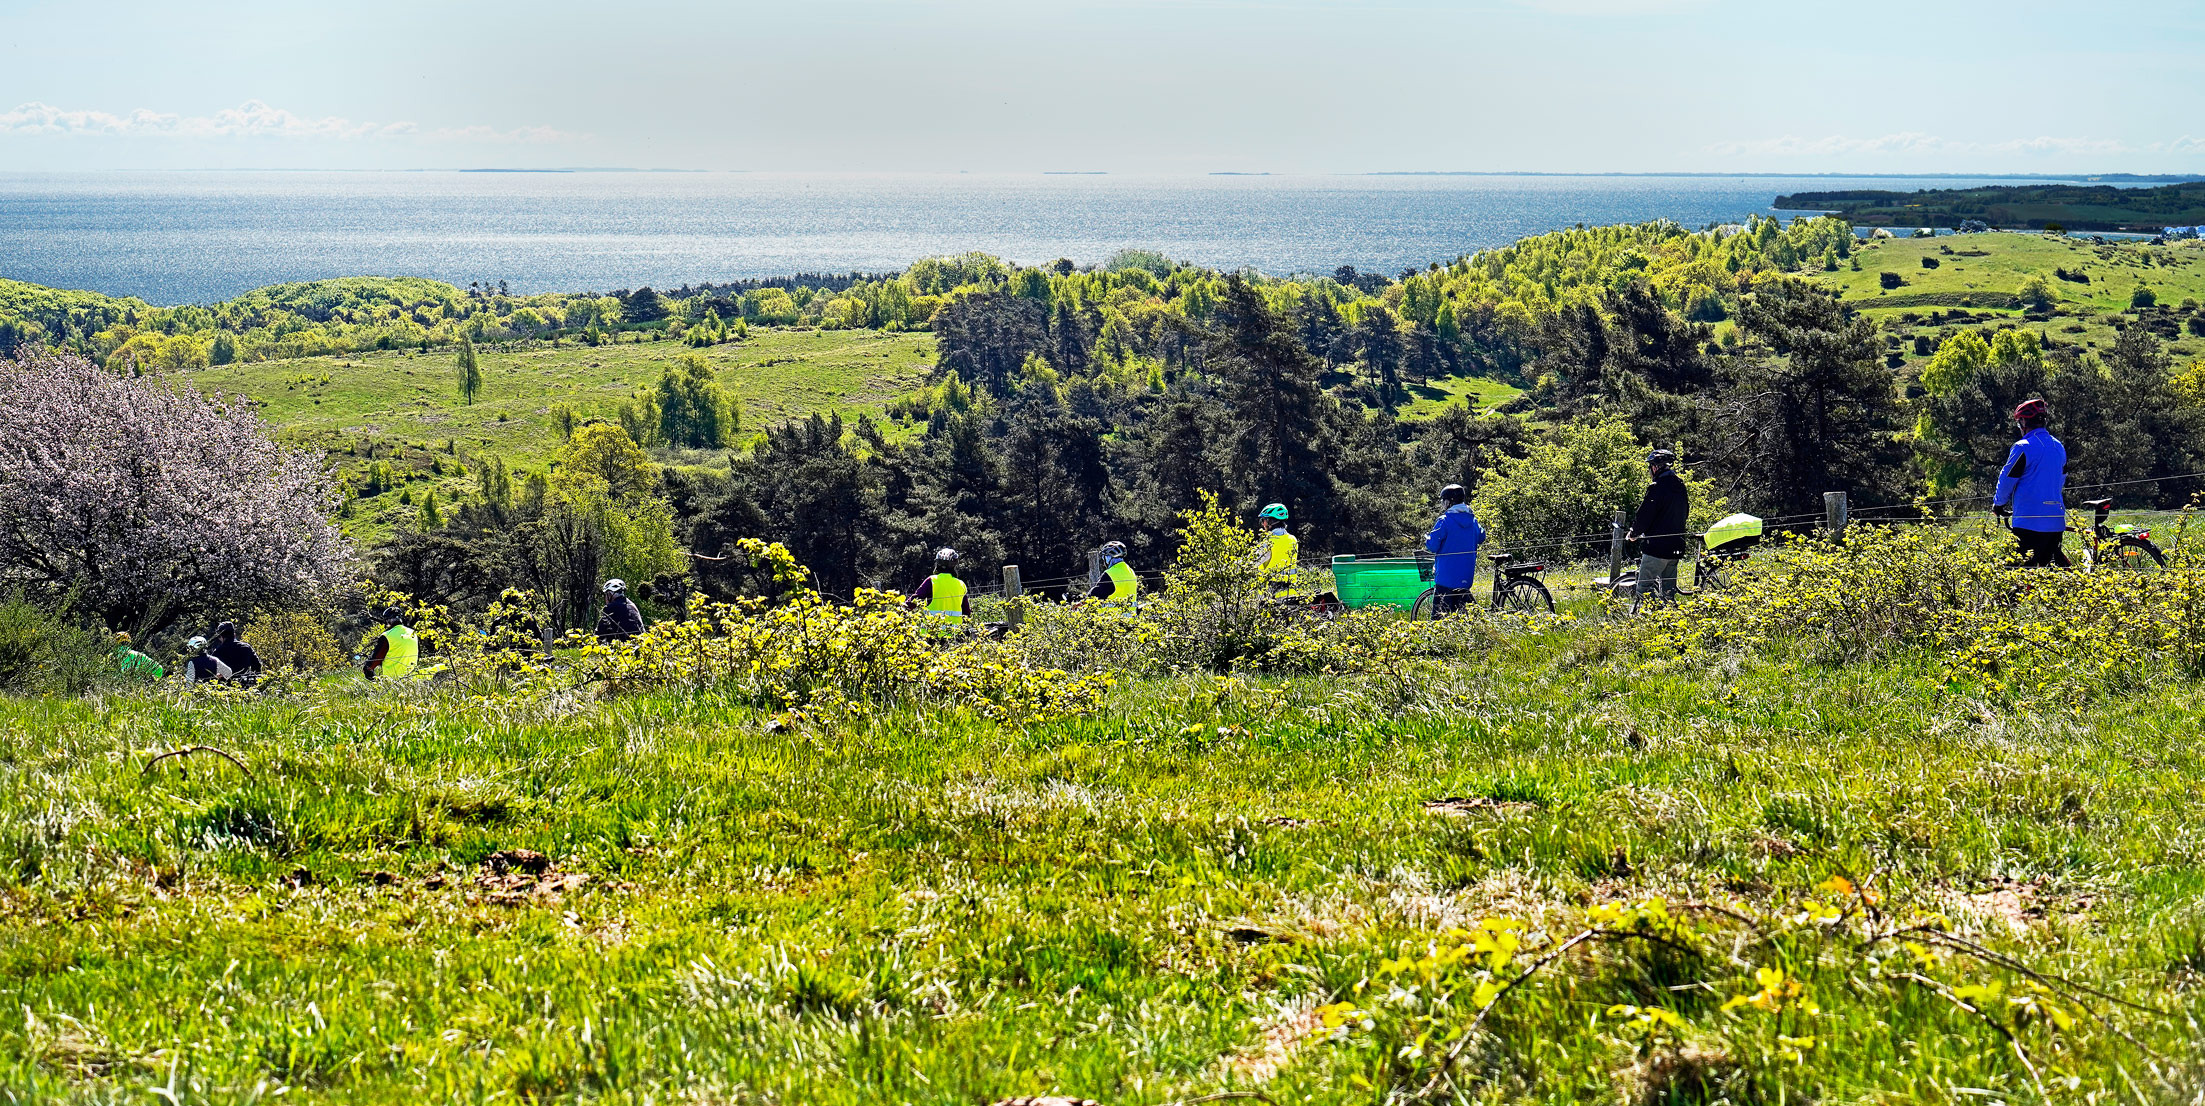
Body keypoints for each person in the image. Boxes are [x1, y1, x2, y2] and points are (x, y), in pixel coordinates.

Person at [1994, 398, 2070, 567]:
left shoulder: (2023, 446)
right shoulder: (2059, 447)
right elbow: (2061, 479)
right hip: (2056, 521)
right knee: (2048, 575)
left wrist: (1998, 504)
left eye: (2018, 422)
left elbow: (2007, 479)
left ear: (2023, 421)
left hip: (2029, 523)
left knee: (2015, 575)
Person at [1626, 449, 1690, 609]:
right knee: (1668, 593)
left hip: (1657, 548)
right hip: (1676, 545)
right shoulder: (1680, 485)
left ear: (1655, 468)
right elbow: (1686, 512)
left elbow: (1645, 515)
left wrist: (1633, 533)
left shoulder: (1656, 487)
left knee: (1644, 589)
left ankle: (1657, 618)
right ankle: (1672, 621)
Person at [1423, 484, 1486, 616]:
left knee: (1439, 621)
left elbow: (1433, 545)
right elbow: (1481, 536)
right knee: (1463, 619)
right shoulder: (1473, 520)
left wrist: (1427, 538)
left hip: (1445, 578)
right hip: (1466, 577)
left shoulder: (1444, 521)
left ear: (1449, 502)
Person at [910, 547, 971, 625]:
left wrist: (901, 610)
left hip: (932, 632)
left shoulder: (931, 581)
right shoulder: (961, 584)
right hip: (955, 632)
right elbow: (966, 612)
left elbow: (915, 599)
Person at [361, 606, 420, 680]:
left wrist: (367, 669)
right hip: (412, 679)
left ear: (387, 621)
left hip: (393, 681)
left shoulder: (387, 636)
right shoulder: (413, 633)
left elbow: (374, 661)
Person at [1254, 503, 1300, 591]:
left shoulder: (1268, 542)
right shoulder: (1293, 540)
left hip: (1271, 596)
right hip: (1291, 592)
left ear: (1270, 522)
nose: (1263, 524)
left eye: (1264, 520)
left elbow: (1251, 563)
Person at [1083, 541, 1139, 606]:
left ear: (1109, 557)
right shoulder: (1131, 572)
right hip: (1130, 614)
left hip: (1111, 615)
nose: (1104, 561)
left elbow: (1094, 596)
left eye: (1104, 557)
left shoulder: (1110, 574)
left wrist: (1082, 603)